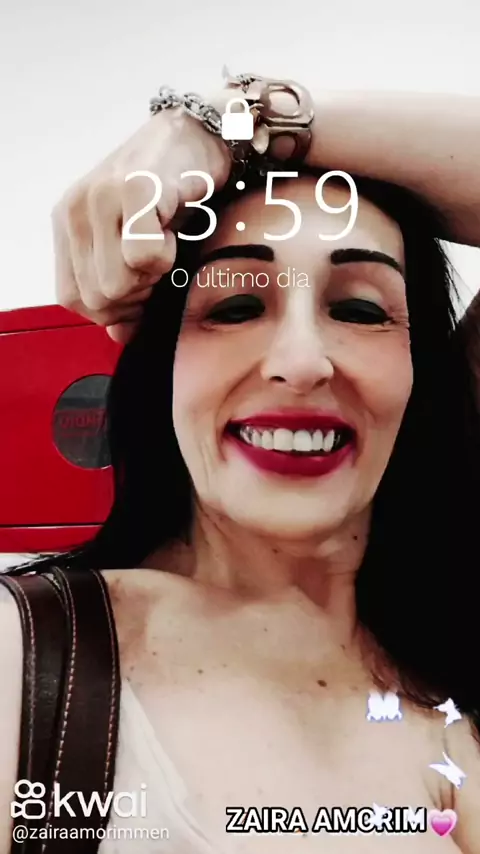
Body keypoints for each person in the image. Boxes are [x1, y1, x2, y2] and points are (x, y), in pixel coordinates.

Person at [1, 77, 480, 853]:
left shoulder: (447, 682)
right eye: (234, 307)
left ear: (419, 371)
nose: (301, 361)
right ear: (164, 368)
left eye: (360, 309)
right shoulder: (22, 658)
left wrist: (227, 129)